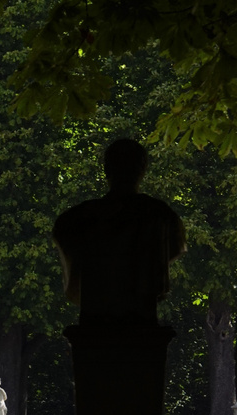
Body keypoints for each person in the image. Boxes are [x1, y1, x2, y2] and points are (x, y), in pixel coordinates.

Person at [52, 138, 186, 327]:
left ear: (107, 169)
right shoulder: (161, 216)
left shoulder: (78, 218)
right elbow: (175, 247)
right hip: (141, 322)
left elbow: (61, 232)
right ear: (142, 170)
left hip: (96, 322)